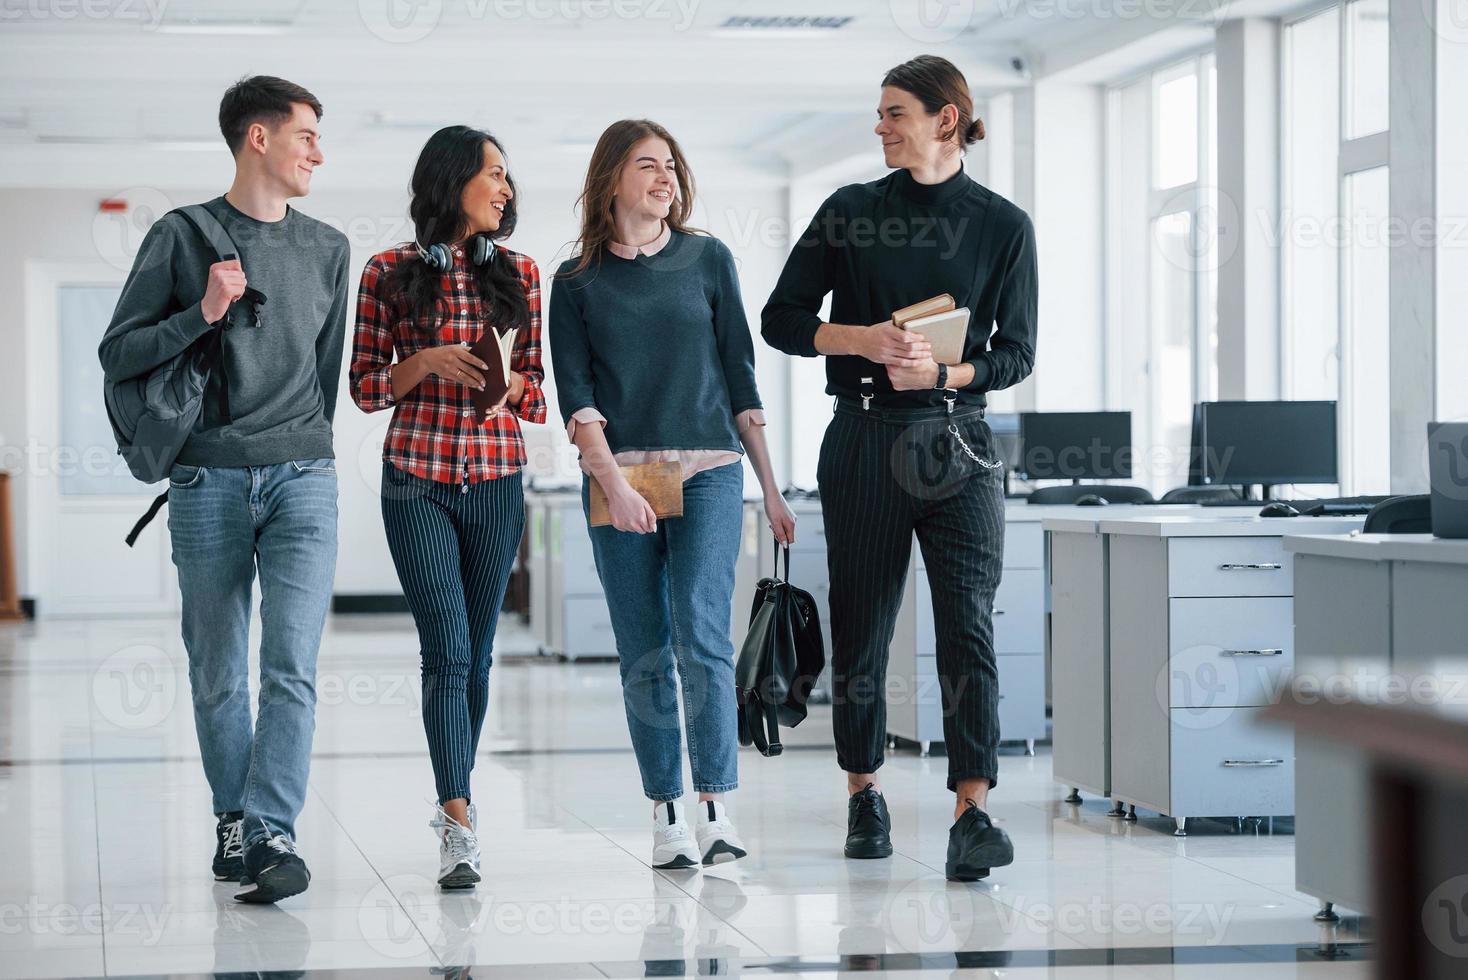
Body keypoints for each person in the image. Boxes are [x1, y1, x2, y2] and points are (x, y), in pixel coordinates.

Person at [760, 55, 1038, 882]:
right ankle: (863, 791)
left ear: (944, 119)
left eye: (893, 114)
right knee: (863, 624)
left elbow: (1017, 353)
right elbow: (781, 319)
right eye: (880, 114)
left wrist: (946, 375)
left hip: (960, 444)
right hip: (864, 440)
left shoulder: (1003, 225)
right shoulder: (848, 212)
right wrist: (861, 340)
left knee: (969, 628)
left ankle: (972, 810)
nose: (879, 127)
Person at [98, 75, 350, 903]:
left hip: (303, 475)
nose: (317, 149)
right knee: (217, 666)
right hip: (206, 476)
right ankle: (234, 818)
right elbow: (119, 354)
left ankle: (271, 830)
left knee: (291, 664)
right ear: (258, 138)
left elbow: (323, 372)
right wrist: (202, 312)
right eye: (306, 133)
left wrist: (303, 447)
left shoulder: (328, 248)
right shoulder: (182, 236)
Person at [550, 119, 795, 870]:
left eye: (672, 167)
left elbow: (740, 376)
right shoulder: (575, 282)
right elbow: (578, 399)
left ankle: (716, 803)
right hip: (621, 474)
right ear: (611, 180)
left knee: (700, 633)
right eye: (647, 165)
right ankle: (665, 812)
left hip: (711, 466)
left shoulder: (708, 259)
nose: (665, 179)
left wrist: (772, 489)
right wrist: (614, 484)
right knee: (644, 648)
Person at [350, 126, 547, 889]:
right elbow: (367, 389)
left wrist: (508, 381)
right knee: (447, 650)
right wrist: (423, 362)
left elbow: (536, 395)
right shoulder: (389, 272)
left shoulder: (523, 273)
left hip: (497, 480)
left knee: (481, 651)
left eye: (507, 175)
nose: (505, 187)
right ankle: (457, 818)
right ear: (451, 180)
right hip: (417, 480)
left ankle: (456, 793)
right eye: (493, 173)